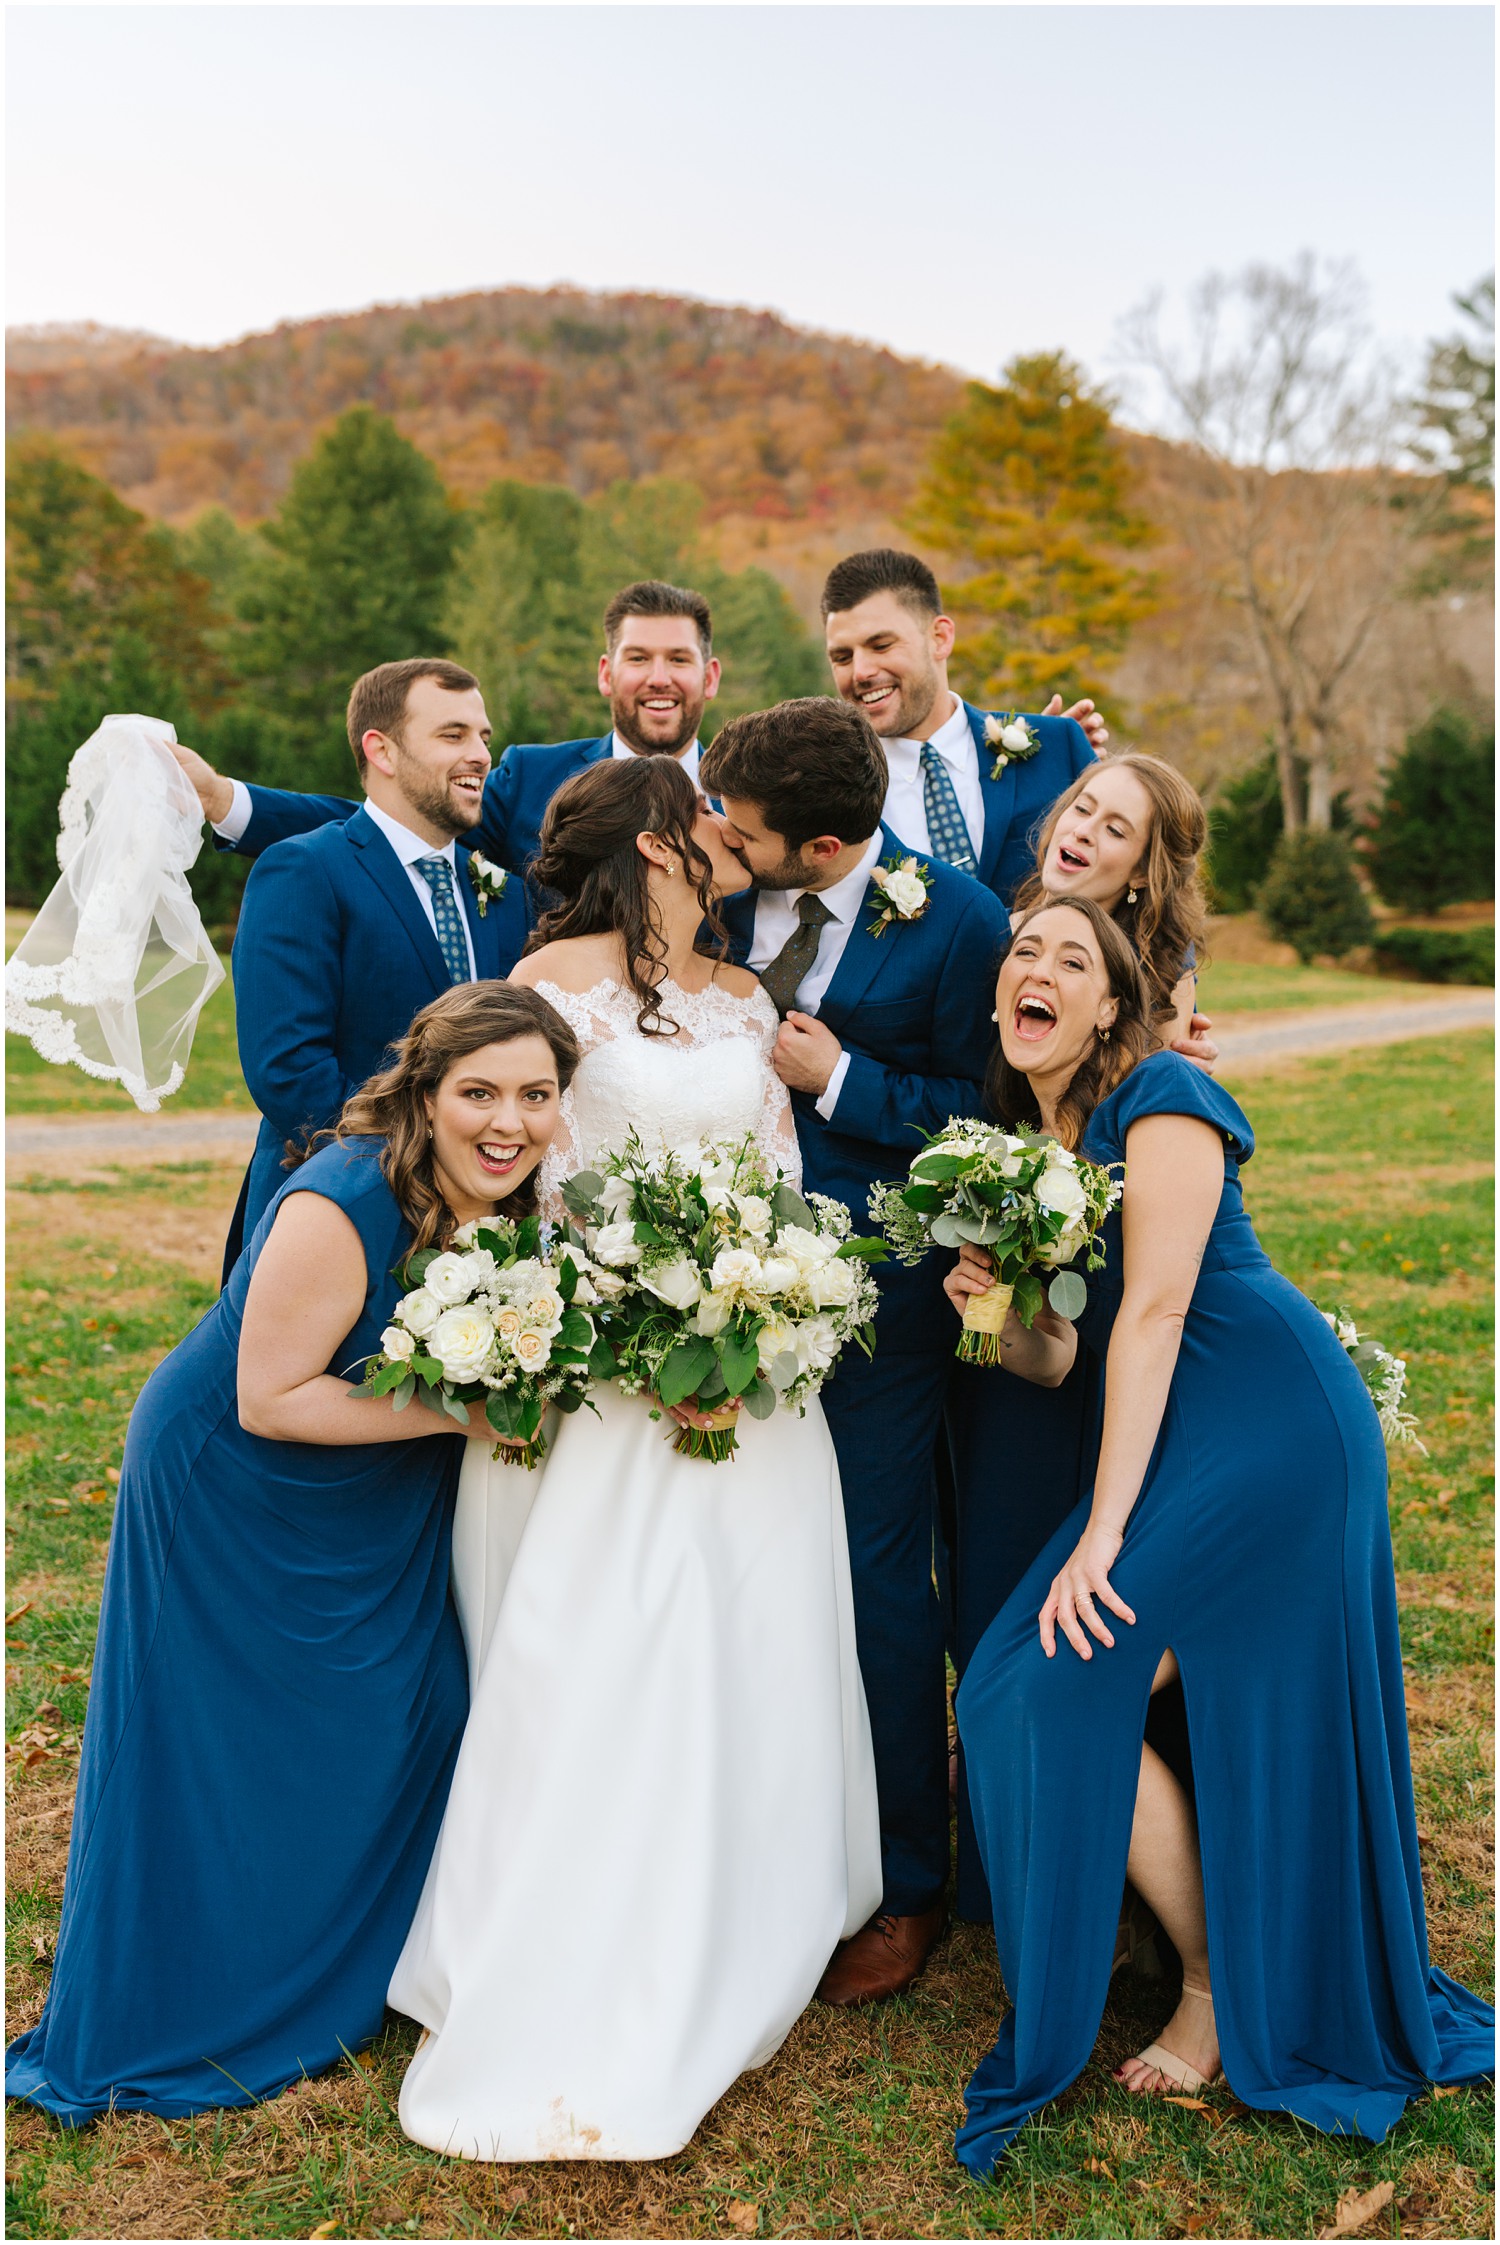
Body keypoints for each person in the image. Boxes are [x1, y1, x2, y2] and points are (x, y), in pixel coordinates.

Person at [940, 896, 1494, 2174]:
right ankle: (1210, 1959)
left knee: (1062, 1666)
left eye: (1072, 959)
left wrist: (1104, 1536)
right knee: (1024, 1683)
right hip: (1183, 1435)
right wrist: (992, 1313)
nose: (1040, 968)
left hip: (1270, 1428)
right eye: (1024, 951)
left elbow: (1160, 1314)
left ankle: (1211, 1992)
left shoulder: (1165, 1099)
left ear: (1113, 1005)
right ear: (1000, 997)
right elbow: (1065, 1352)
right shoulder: (1034, 1144)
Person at [387, 754, 882, 2161]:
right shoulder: (550, 983)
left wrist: (776, 1299)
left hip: (759, 1384)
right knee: (615, 1655)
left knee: (754, 1635)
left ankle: (756, 1891)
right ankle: (594, 1919)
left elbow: (782, 1175)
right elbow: (510, 1162)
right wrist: (624, 1322)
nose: (726, 836)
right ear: (653, 847)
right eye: (700, 820)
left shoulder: (745, 997)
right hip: (614, 1383)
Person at [5, 983, 580, 2125]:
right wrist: (463, 1418)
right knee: (230, 1739)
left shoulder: (513, 1203)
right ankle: (199, 1992)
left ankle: (341, 1965)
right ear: (424, 1091)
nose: (507, 1120)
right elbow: (269, 1397)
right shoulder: (343, 1197)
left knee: (395, 1709)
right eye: (478, 1092)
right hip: (239, 1483)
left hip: (374, 1480)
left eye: (537, 1093)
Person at [699, 700, 1011, 2007]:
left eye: (746, 827)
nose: (719, 835)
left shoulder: (959, 922)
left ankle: (905, 1879)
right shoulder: (711, 890)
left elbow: (994, 1128)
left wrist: (844, 1085)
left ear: (825, 844)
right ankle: (753, 1836)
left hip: (882, 1308)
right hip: (710, 1290)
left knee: (878, 1579)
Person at [944, 750, 1217, 1921]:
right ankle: (1021, 1871)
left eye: (1117, 828)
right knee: (995, 1591)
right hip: (1008, 1320)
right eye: (1080, 808)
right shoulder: (985, 937)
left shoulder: (1155, 1053)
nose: (1085, 833)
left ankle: (1132, 1906)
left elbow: (1156, 1275)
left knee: (1081, 1612)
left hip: (1120, 1345)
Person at [174, 582, 721, 970]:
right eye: (637, 658)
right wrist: (225, 799)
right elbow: (395, 826)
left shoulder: (739, 795)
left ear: (709, 676)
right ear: (607, 674)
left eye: (678, 659)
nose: (658, 679)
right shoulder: (534, 775)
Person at [206, 658, 527, 1273]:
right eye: (452, 734)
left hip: (485, 1224)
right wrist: (424, 1174)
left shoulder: (505, 895)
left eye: (484, 737)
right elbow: (290, 1072)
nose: (482, 754)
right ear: (381, 749)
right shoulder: (303, 870)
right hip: (335, 1208)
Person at [821, 547, 1105, 905]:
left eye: (880, 645)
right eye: (842, 657)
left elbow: (1137, 870)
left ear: (940, 638)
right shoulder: (828, 790)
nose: (860, 672)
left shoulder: (1057, 746)